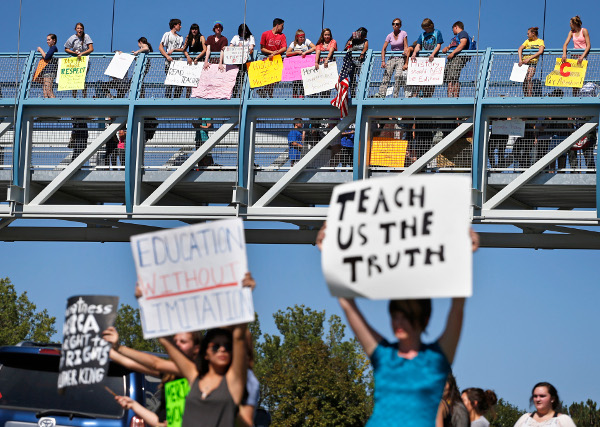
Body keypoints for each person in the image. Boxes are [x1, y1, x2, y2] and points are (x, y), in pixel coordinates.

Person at [315, 224, 479, 426]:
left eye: (407, 317)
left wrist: (465, 257)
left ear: (425, 319)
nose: (398, 322)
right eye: (394, 315)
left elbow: (457, 308)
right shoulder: (383, 354)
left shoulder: (437, 358)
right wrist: (328, 255)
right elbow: (348, 305)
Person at [159, 273, 255, 427]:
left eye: (227, 347)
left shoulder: (233, 381)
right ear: (205, 353)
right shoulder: (194, 375)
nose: (222, 349)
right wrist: (146, 301)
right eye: (216, 347)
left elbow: (238, 337)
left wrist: (245, 296)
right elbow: (164, 342)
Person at [103, 327, 202, 426]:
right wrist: (133, 405)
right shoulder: (170, 376)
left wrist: (119, 348)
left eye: (183, 342)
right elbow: (130, 364)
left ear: (196, 348)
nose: (177, 344)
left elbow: (156, 363)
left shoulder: (200, 372)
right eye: (174, 341)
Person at [412, 18, 444, 98]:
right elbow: (418, 45)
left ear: (430, 26)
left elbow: (438, 45)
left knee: (432, 79)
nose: (426, 30)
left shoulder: (437, 32)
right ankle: (415, 95)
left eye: (427, 28)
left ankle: (428, 96)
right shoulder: (422, 35)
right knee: (421, 78)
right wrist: (414, 53)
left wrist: (433, 54)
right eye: (424, 29)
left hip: (434, 59)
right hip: (423, 59)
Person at [377, 18, 408, 98]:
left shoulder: (403, 33)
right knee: (386, 76)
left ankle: (395, 95)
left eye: (397, 24)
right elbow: (383, 48)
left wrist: (406, 61)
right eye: (393, 24)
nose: (395, 25)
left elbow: (406, 47)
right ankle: (381, 94)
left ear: (400, 25)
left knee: (398, 76)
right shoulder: (389, 35)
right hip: (392, 58)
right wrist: (383, 61)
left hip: (401, 57)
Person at [561, 16, 591, 97]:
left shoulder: (584, 31)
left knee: (580, 77)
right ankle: (574, 96)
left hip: (582, 57)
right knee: (574, 78)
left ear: (574, 24)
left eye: (570, 23)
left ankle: (580, 95)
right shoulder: (571, 32)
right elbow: (565, 44)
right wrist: (564, 54)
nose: (569, 25)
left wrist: (582, 56)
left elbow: (588, 45)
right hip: (574, 57)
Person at [223, 24, 255, 97]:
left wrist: (243, 49)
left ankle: (242, 95)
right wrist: (226, 48)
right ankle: (233, 95)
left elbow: (251, 48)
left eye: (244, 31)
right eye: (241, 32)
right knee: (235, 79)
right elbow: (231, 47)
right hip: (236, 62)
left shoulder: (250, 37)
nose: (243, 33)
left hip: (245, 62)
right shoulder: (236, 37)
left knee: (243, 79)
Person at [64, 23, 93, 98]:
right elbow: (66, 49)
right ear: (75, 29)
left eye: (81, 28)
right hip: (75, 61)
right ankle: (74, 97)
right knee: (75, 79)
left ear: (83, 29)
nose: (79, 30)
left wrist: (82, 53)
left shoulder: (86, 36)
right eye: (78, 28)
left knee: (82, 78)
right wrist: (74, 53)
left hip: (84, 61)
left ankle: (84, 96)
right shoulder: (72, 38)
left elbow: (91, 49)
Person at [259, 18, 287, 97]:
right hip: (267, 60)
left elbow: (284, 48)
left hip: (277, 60)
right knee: (269, 78)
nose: (283, 28)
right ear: (277, 25)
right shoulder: (265, 34)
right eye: (282, 26)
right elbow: (262, 48)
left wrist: (276, 53)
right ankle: (269, 95)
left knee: (275, 79)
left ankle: (264, 91)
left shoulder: (282, 36)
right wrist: (272, 53)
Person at [442, 21, 470, 98]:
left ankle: (454, 96)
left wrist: (453, 53)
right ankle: (450, 95)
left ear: (456, 27)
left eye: (453, 29)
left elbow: (463, 43)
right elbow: (451, 45)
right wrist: (447, 48)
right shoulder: (455, 38)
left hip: (458, 57)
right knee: (449, 77)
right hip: (452, 58)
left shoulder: (462, 33)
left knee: (453, 77)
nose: (453, 31)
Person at [159, 18, 184, 98]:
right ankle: (168, 99)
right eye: (179, 25)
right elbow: (161, 47)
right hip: (169, 63)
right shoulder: (167, 34)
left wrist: (174, 49)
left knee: (179, 83)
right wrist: (167, 56)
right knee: (170, 82)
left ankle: (177, 99)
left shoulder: (181, 37)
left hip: (179, 62)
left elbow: (183, 49)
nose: (181, 26)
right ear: (174, 25)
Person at [286, 30, 316, 97]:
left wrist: (306, 52)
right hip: (296, 67)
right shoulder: (293, 43)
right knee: (296, 82)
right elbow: (287, 53)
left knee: (303, 82)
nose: (302, 39)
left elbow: (314, 47)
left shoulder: (306, 41)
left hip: (305, 65)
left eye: (303, 37)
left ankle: (302, 96)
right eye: (301, 37)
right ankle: (295, 96)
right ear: (297, 37)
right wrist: (296, 52)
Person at [518, 27, 544, 97]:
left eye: (528, 33)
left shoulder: (540, 41)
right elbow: (520, 49)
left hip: (532, 63)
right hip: (524, 63)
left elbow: (540, 51)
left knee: (529, 78)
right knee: (524, 79)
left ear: (533, 33)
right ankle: (525, 95)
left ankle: (529, 96)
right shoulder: (527, 41)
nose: (527, 35)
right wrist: (520, 59)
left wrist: (529, 58)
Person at [36, 34, 58, 98]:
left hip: (50, 72)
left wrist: (40, 50)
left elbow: (47, 57)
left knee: (48, 90)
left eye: (49, 40)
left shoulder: (53, 47)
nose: (47, 41)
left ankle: (55, 106)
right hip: (46, 72)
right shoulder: (51, 48)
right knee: (45, 91)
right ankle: (47, 105)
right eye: (47, 40)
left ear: (54, 40)